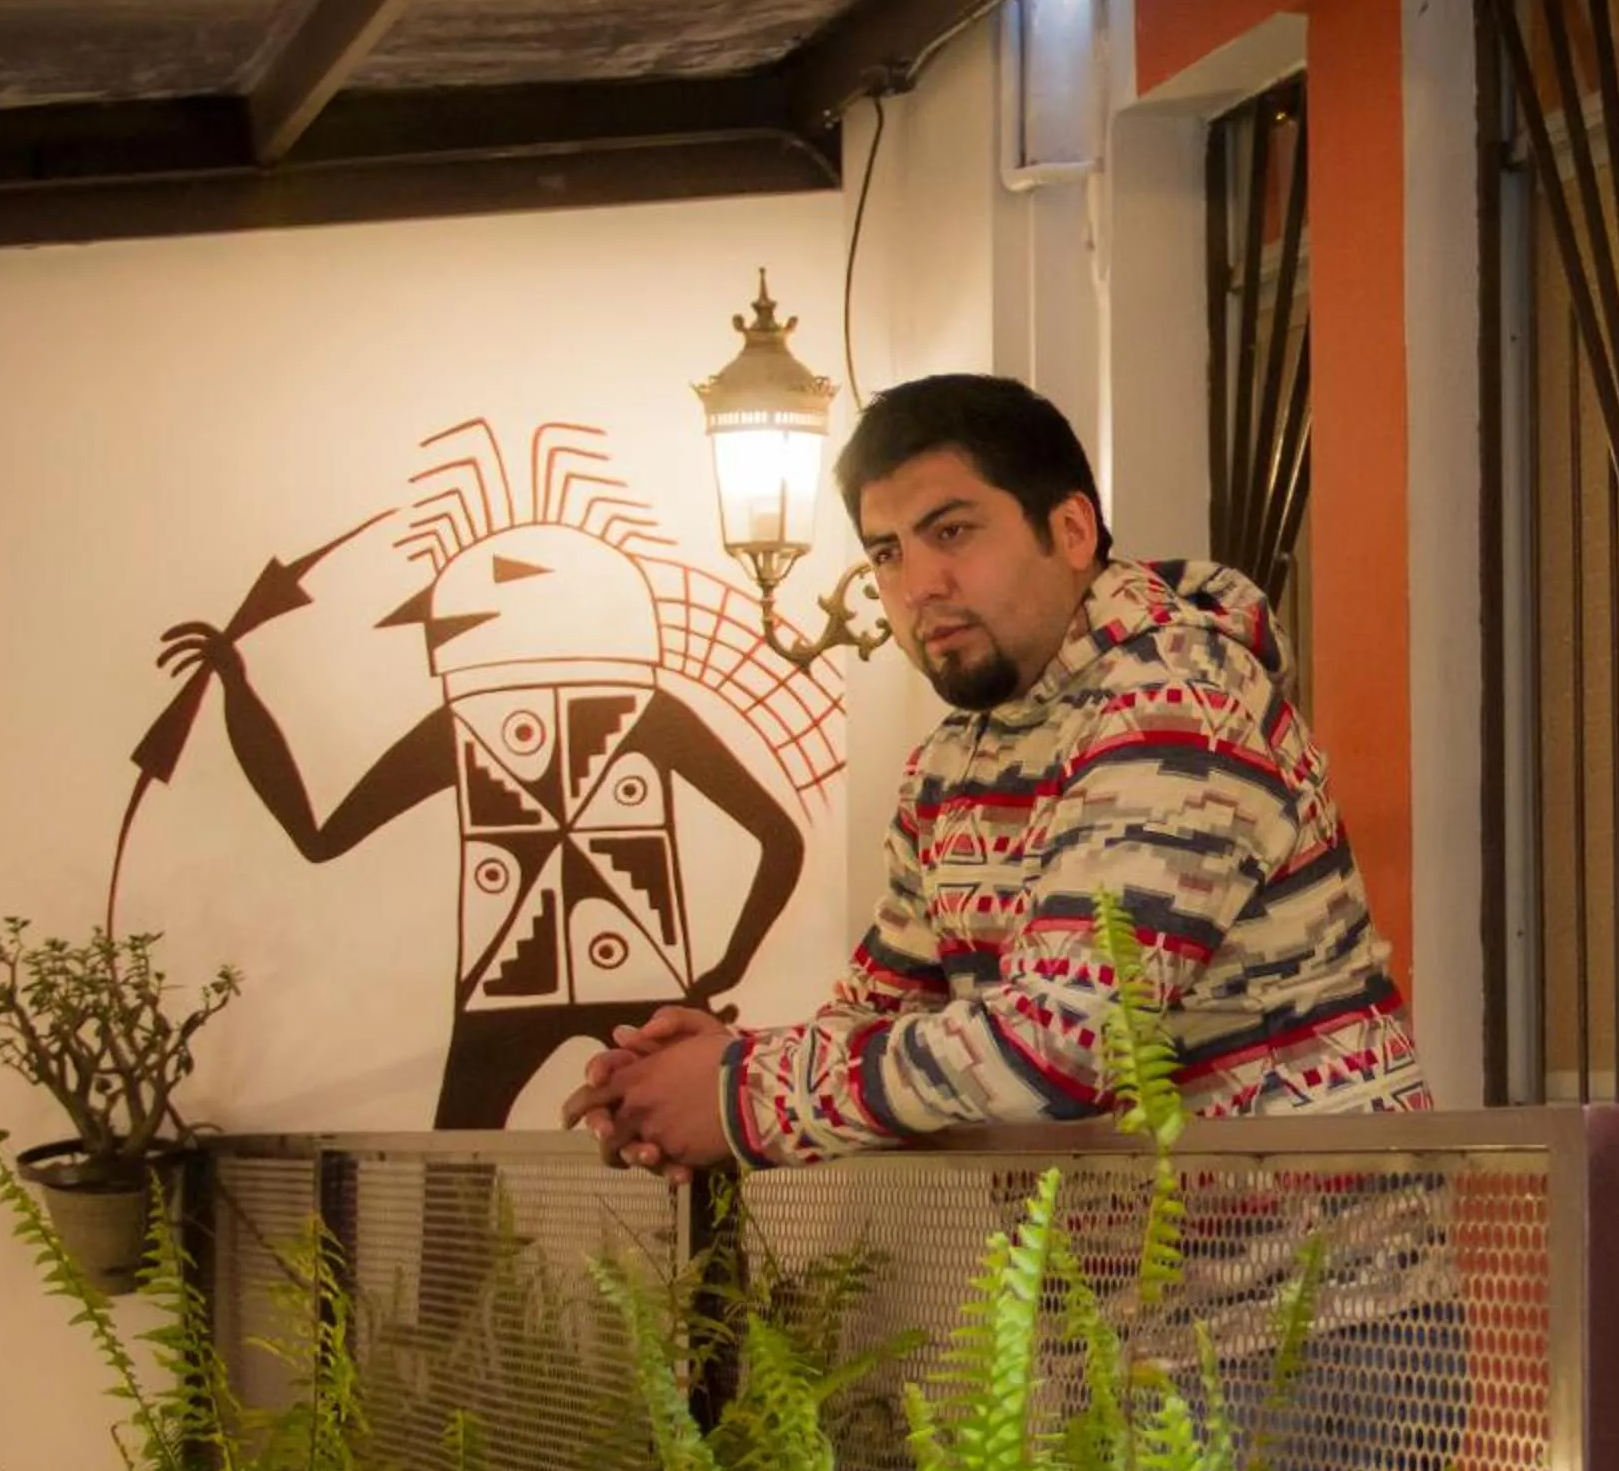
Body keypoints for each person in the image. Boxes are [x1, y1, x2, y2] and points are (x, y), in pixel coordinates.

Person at [563, 371, 1428, 1169]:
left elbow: (1068, 1043)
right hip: (1104, 1307)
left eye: (952, 531)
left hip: (1324, 1308)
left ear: (1072, 530)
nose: (917, 586)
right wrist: (710, 1072)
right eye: (886, 552)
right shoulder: (953, 762)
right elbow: (887, 1016)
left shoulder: (1178, 697)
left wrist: (737, 1095)